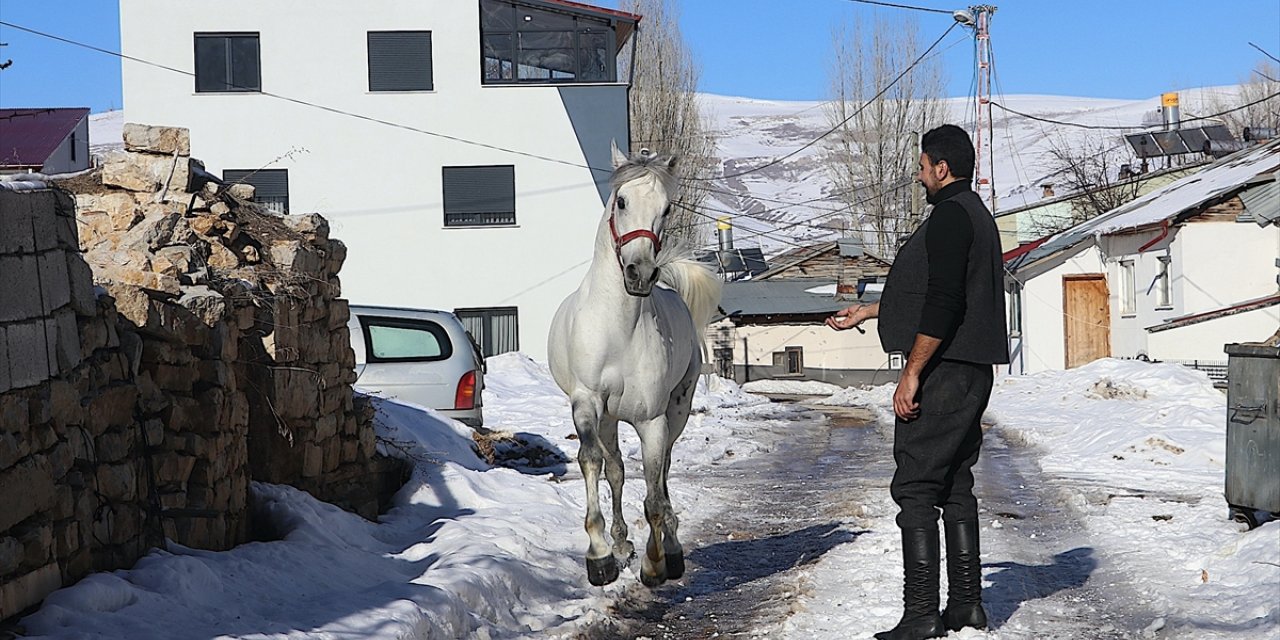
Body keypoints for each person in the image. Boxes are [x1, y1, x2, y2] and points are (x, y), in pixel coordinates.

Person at [826, 124, 1008, 640]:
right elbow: (935, 294)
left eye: (923, 166)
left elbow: (945, 305)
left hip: (945, 372)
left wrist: (911, 373)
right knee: (954, 482)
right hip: (969, 370)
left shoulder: (950, 218)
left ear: (942, 168)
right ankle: (966, 605)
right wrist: (869, 309)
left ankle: (922, 614)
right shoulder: (974, 214)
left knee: (916, 486)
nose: (919, 175)